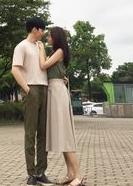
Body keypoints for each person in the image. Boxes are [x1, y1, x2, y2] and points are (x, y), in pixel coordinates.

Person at [38, 26, 86, 186]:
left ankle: (78, 176)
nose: (47, 39)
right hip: (55, 90)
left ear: (56, 37)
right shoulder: (57, 52)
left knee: (65, 136)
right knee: (62, 136)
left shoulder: (59, 51)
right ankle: (71, 173)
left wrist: (40, 48)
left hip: (57, 92)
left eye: (50, 36)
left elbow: (43, 65)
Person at [11, 17, 53, 186]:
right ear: (35, 29)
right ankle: (31, 173)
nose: (43, 32)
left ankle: (41, 172)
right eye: (42, 29)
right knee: (30, 133)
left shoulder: (40, 47)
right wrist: (26, 88)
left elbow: (45, 66)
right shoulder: (22, 46)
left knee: (43, 133)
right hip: (32, 89)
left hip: (45, 89)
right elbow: (15, 69)